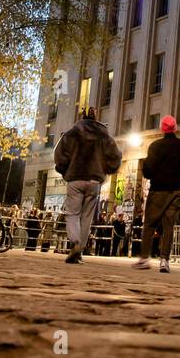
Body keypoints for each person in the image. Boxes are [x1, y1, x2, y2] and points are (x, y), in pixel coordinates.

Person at [55, 108, 122, 263]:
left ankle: (75, 242)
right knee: (87, 217)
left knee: (72, 213)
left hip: (75, 178)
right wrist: (107, 170)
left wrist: (64, 169)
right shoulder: (105, 137)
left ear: (82, 118)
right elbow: (116, 157)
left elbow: (59, 155)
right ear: (96, 118)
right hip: (94, 180)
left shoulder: (71, 134)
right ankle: (79, 251)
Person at [134, 115, 180, 272]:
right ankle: (164, 260)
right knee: (169, 226)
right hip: (175, 191)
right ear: (175, 128)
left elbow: (148, 170)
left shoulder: (155, 146)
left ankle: (144, 258)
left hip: (157, 190)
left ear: (162, 129)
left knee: (150, 224)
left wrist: (153, 175)